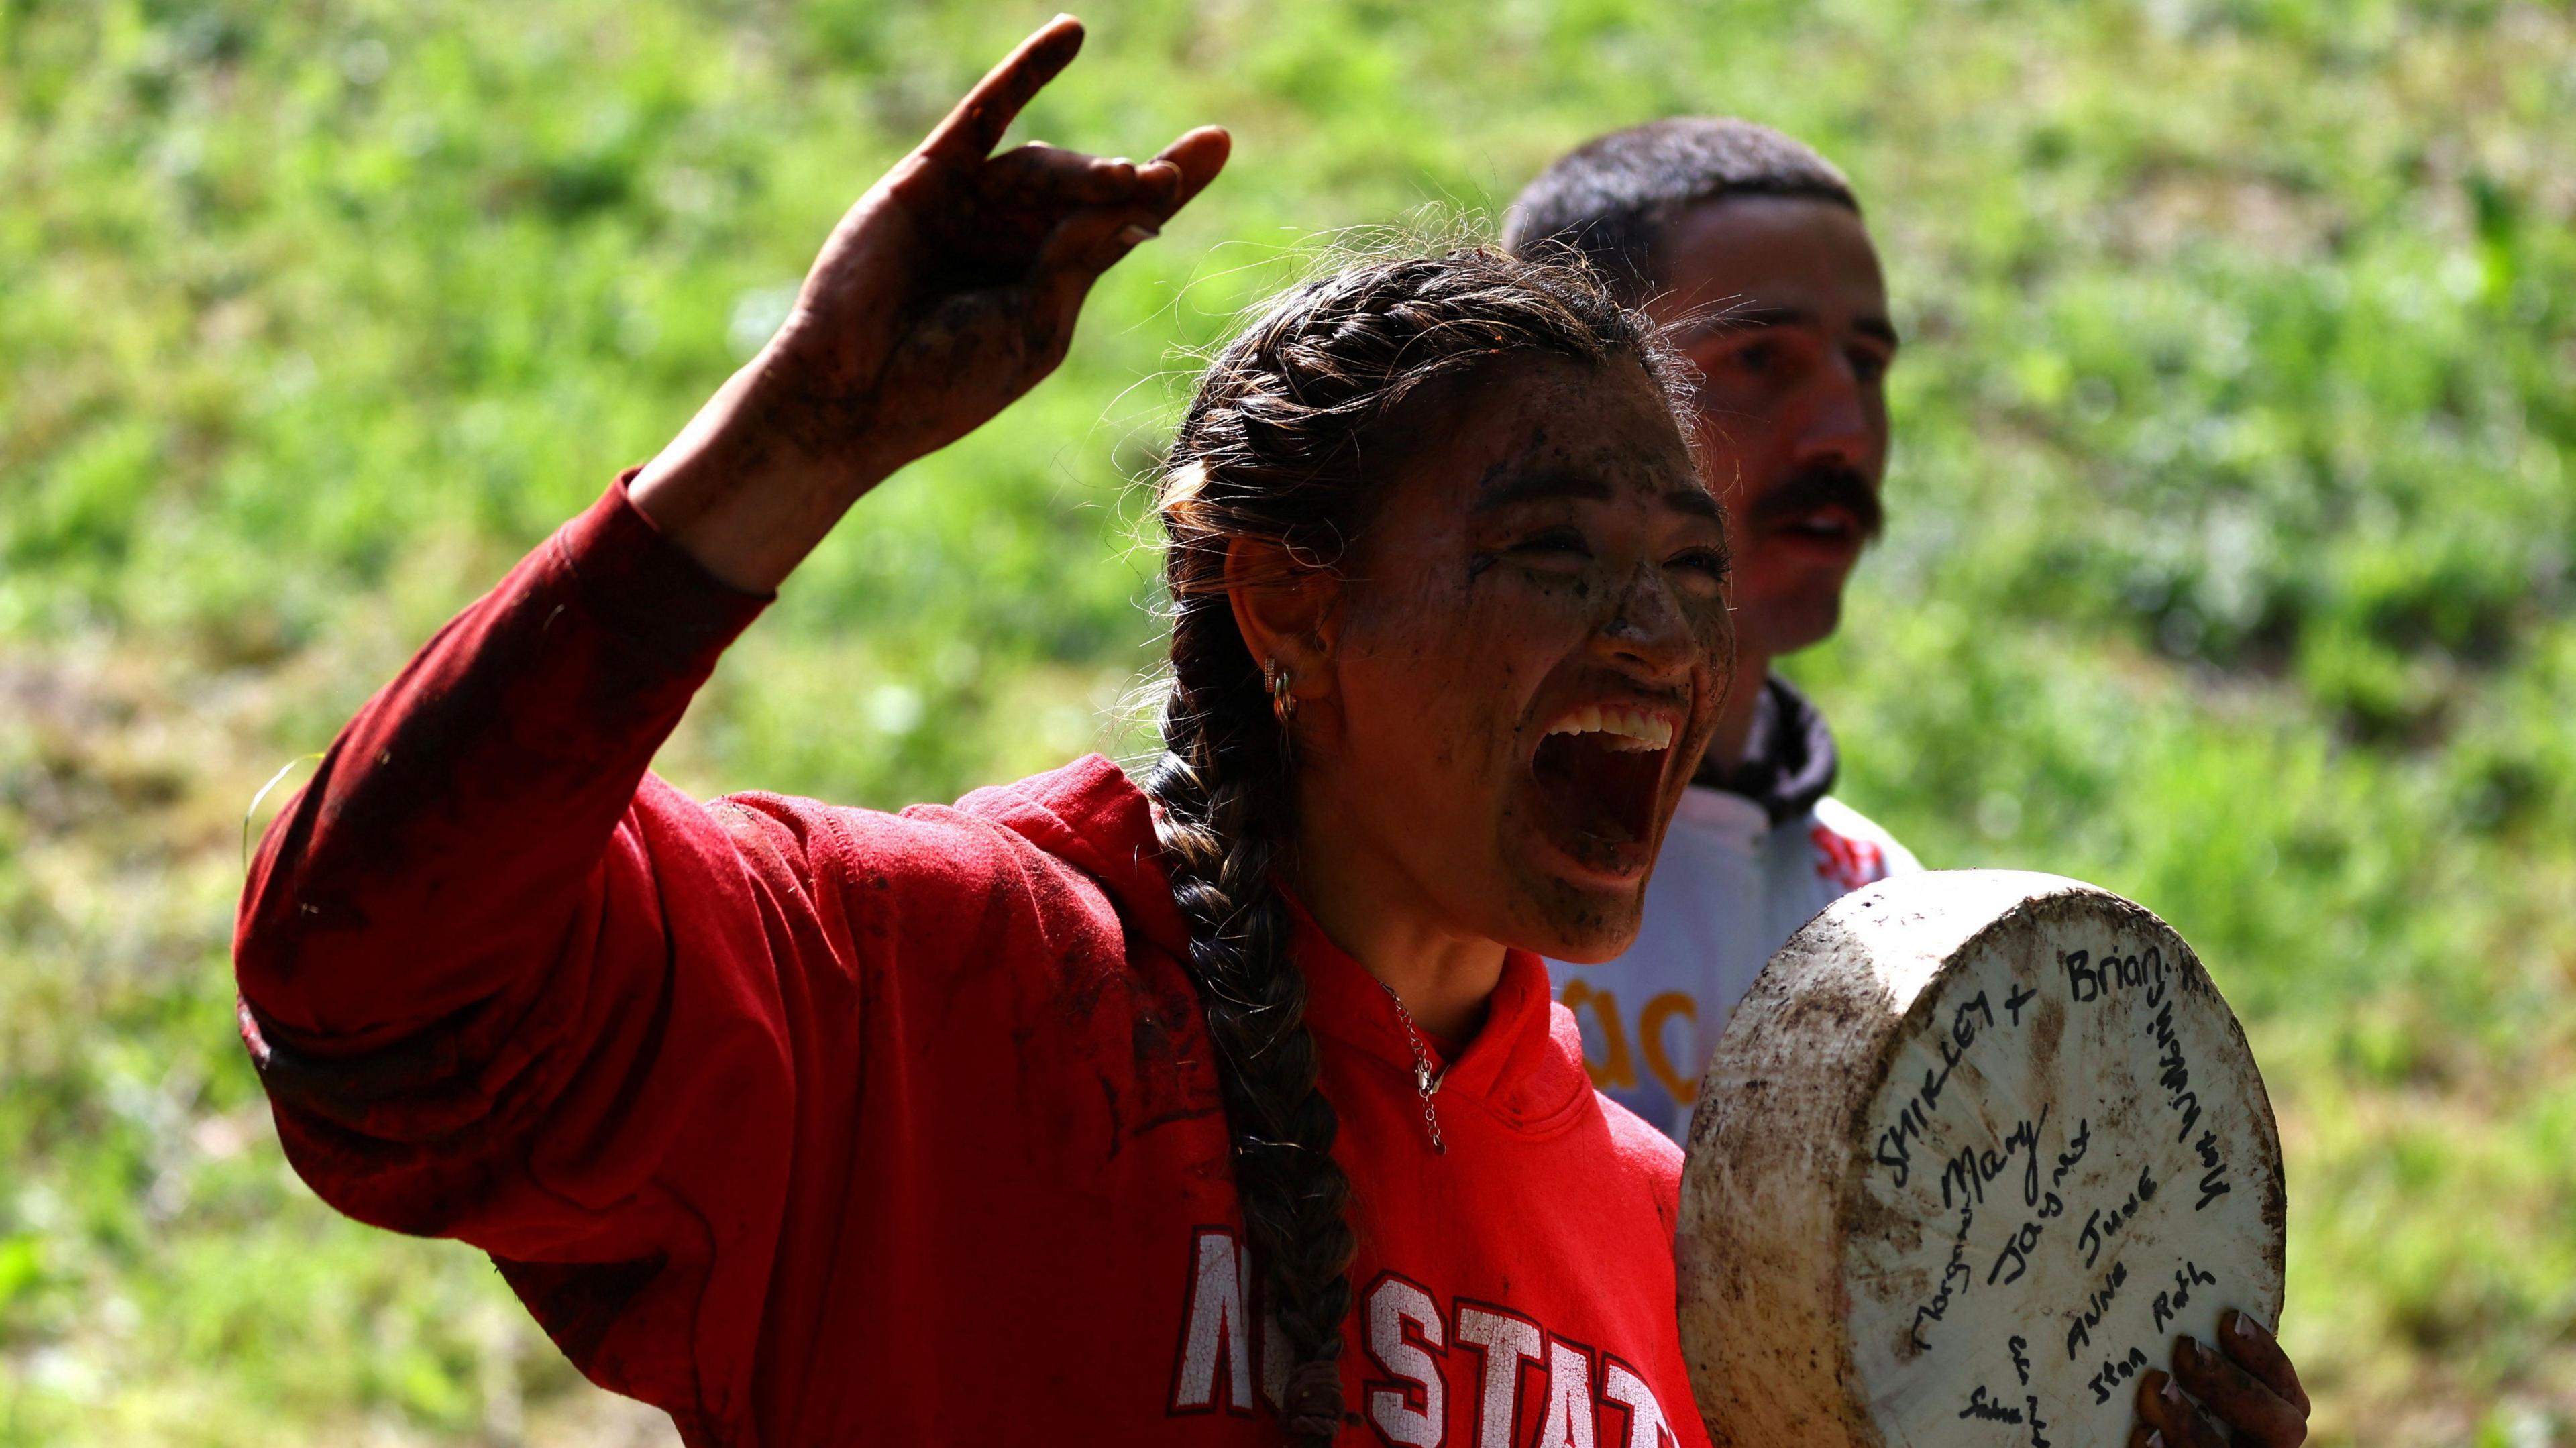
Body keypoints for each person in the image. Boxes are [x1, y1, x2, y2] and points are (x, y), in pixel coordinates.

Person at [231, 20, 2308, 1448]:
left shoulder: (1687, 1245)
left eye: (1689, 571)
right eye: (1553, 549)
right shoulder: (939, 981)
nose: (1656, 638)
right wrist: (786, 448)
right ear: (1288, 600)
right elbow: (374, 990)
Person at [1506, 120, 1921, 1141]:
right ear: (1566, 393)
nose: (1845, 431)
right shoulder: (1421, 853)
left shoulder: (1878, 907)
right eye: (1759, 358)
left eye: (1865, 365)